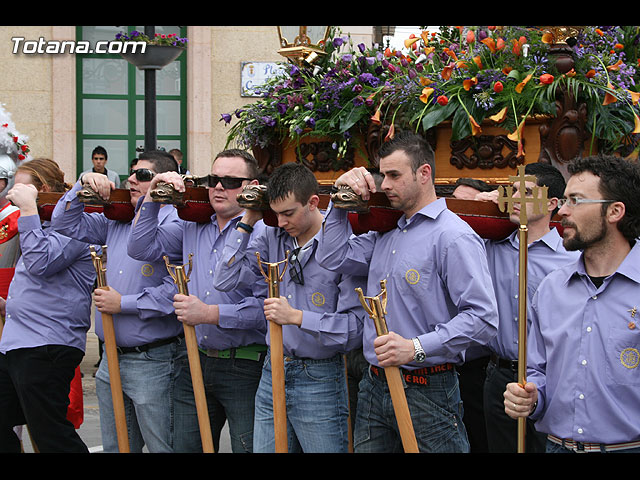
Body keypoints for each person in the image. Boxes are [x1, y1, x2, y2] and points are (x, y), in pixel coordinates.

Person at [315, 131, 498, 453]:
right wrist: (340, 199)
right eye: (382, 175)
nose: (384, 185)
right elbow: (333, 257)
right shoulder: (387, 233)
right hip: (374, 385)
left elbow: (483, 319)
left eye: (394, 175)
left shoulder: (453, 236)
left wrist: (415, 347)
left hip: (428, 387)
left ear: (424, 173)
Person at [214, 162, 365, 453]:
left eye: (288, 213)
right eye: (275, 213)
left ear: (313, 203)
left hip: (319, 375)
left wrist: (297, 317)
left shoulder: (343, 244)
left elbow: (353, 329)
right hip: (274, 369)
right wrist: (248, 219)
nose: (281, 222)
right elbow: (225, 279)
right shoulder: (272, 235)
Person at [127, 148, 267, 453]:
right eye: (213, 179)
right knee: (186, 447)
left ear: (252, 186)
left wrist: (211, 313)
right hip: (194, 359)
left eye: (230, 181)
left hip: (246, 362)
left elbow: (268, 308)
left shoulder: (263, 230)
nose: (218, 187)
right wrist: (151, 198)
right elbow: (139, 248)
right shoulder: (191, 225)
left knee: (250, 448)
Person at [51, 149, 188, 453]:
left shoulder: (177, 222)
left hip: (153, 360)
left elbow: (177, 291)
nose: (132, 180)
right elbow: (64, 224)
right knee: (116, 448)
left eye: (143, 175)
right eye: (131, 173)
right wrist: (82, 184)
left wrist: (124, 303)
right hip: (110, 357)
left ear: (163, 181)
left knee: (163, 447)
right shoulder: (115, 221)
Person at [504, 154, 640, 453]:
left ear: (615, 211)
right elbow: (537, 371)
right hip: (558, 446)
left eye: (576, 201)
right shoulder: (552, 288)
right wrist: (531, 397)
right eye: (564, 200)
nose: (562, 211)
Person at [477, 162, 580, 453]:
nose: (515, 197)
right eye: (513, 190)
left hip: (552, 378)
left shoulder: (571, 258)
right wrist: (482, 202)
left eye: (527, 191)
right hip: (499, 374)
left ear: (552, 203)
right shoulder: (490, 247)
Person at [0, 158, 95, 453]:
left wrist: (27, 209)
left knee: (50, 433)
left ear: (41, 189)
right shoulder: (37, 224)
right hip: (18, 342)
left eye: (21, 187)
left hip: (47, 345)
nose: (13, 194)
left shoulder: (73, 225)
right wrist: (8, 305)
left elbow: (41, 263)